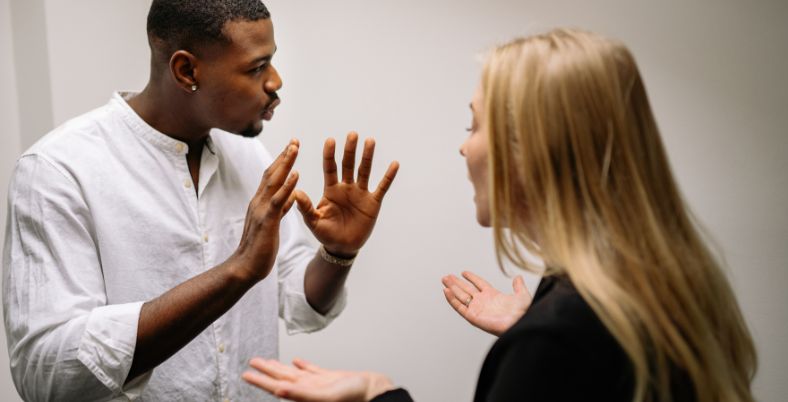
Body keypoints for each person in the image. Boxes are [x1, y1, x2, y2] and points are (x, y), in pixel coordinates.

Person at [241, 29, 758, 402]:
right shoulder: (656, 284)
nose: (464, 149)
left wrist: (381, 395)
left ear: (530, 149)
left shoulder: (558, 338)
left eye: (474, 125)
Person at [2, 1, 399, 401]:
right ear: (187, 70)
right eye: (256, 67)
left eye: (271, 62)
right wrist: (235, 271)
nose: (276, 81)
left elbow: (300, 301)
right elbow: (47, 373)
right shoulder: (59, 171)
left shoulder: (250, 158)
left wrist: (338, 252)